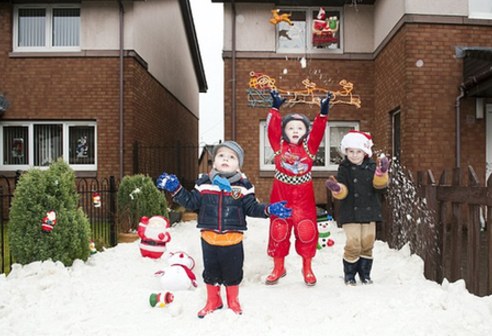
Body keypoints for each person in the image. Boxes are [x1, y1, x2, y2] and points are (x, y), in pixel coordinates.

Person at [156, 141, 292, 318]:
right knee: (211, 272)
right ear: (214, 161)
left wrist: (268, 210)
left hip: (232, 240)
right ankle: (213, 301)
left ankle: (233, 300)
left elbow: (251, 208)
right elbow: (191, 202)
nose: (226, 159)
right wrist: (177, 190)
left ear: (238, 164)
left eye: (231, 157)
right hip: (209, 239)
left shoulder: (243, 186)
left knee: (233, 272)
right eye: (221, 155)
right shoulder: (204, 183)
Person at [265, 89, 331, 286]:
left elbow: (318, 132)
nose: (295, 131)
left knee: (306, 230)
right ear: (284, 131)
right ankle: (278, 267)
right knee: (279, 229)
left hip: (303, 197)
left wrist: (323, 114)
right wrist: (275, 109)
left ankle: (307, 267)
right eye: (291, 127)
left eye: (300, 128)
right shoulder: (278, 147)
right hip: (281, 194)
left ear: (305, 132)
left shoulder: (309, 149)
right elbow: (271, 129)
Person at [325, 130, 390, 285]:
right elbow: (344, 190)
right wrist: (337, 189)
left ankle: (365, 274)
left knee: (367, 243)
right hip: (350, 211)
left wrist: (381, 173)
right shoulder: (344, 168)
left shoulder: (373, 166)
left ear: (365, 152)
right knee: (354, 243)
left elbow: (379, 187)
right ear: (346, 152)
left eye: (358, 151)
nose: (354, 155)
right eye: (350, 151)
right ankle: (349, 275)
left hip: (369, 210)